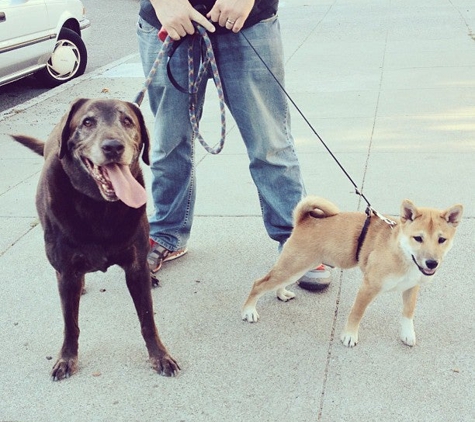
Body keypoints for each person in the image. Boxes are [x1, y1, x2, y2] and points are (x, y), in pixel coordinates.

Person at [136, 0, 331, 290]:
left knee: (270, 143)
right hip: (167, 19)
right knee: (168, 143)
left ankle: (297, 240)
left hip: (246, 21)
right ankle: (166, 231)